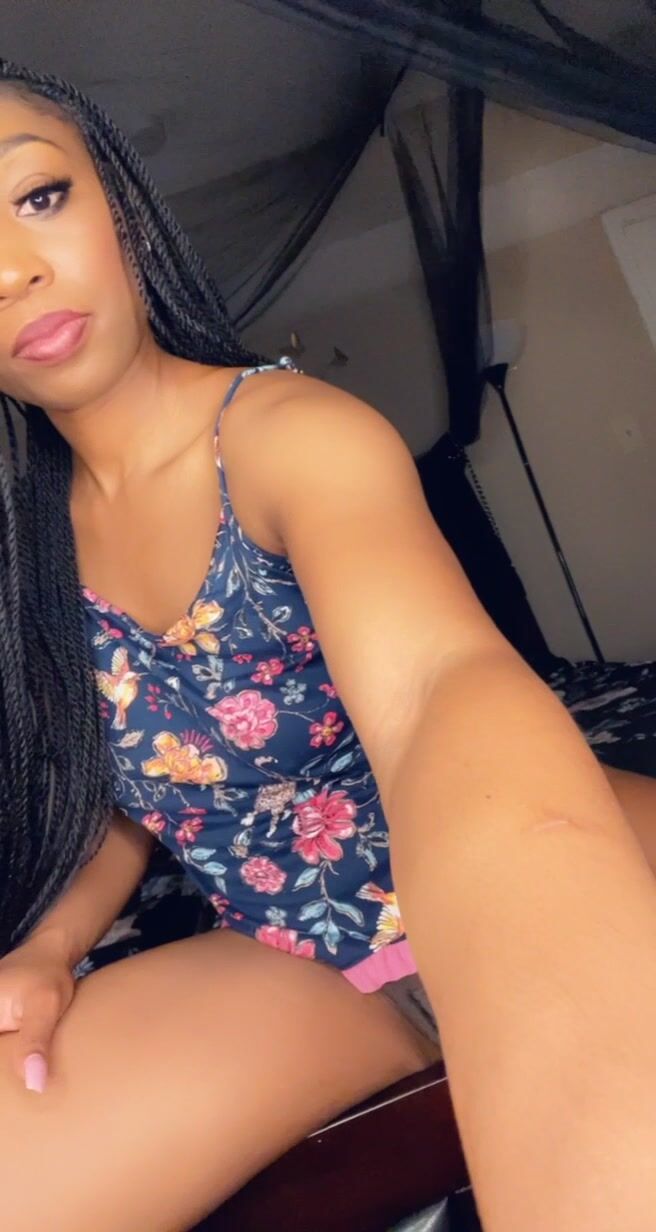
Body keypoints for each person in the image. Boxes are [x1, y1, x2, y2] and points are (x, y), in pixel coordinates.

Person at [1, 57, 656, 1232]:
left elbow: (434, 690)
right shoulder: (29, 553)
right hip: (299, 951)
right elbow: (138, 791)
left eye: (38, 196)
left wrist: (525, 932)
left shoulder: (291, 435)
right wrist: (49, 945)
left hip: (524, 870)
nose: (12, 268)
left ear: (119, 205)